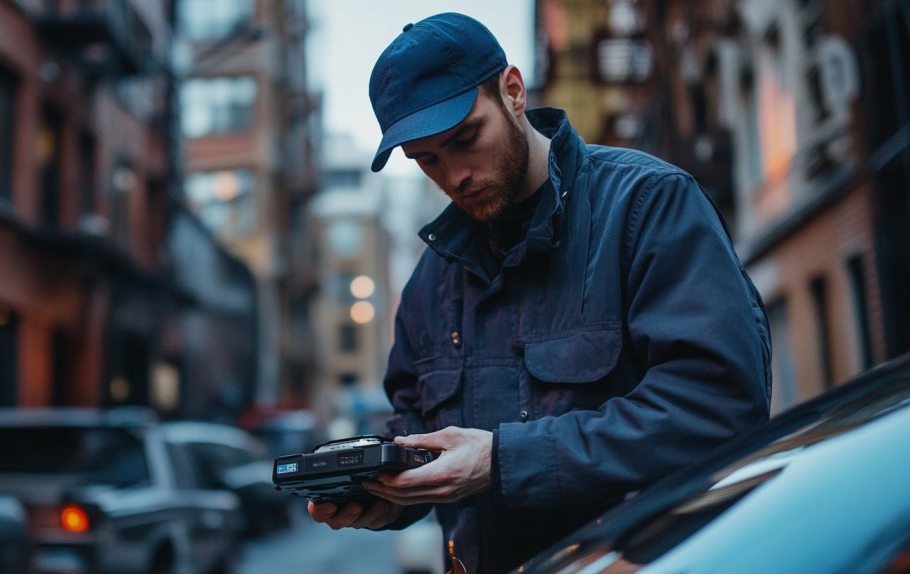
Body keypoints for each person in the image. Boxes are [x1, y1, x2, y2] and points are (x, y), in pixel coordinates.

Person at [308, 12, 772, 574]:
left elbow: (716, 408)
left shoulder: (647, 206)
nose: (453, 176)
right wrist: (383, 497)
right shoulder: (430, 283)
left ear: (513, 91)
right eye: (426, 159)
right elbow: (418, 435)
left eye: (464, 139)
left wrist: (503, 462)